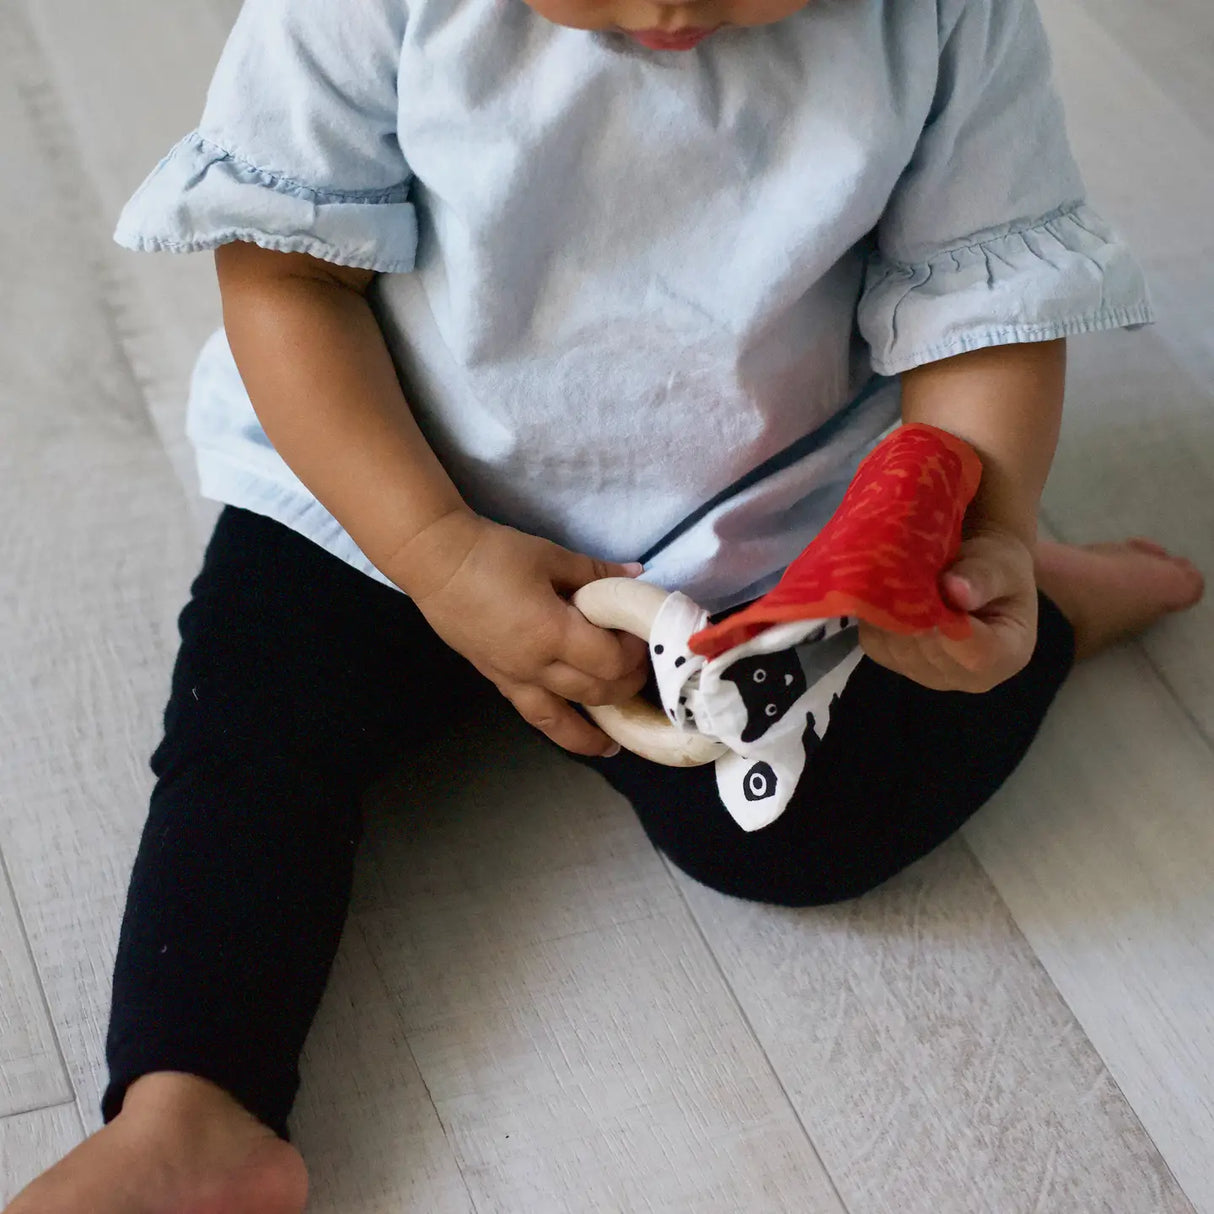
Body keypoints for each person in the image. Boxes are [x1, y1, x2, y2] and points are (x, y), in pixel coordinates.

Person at [8, 0, 1203, 1208]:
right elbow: (286, 278)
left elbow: (976, 306)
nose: (670, 11)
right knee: (246, 725)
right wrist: (431, 551)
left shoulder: (941, 18)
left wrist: (984, 532)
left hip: (748, 529)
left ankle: (1045, 608)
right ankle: (194, 1103)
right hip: (389, 479)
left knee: (815, 829)